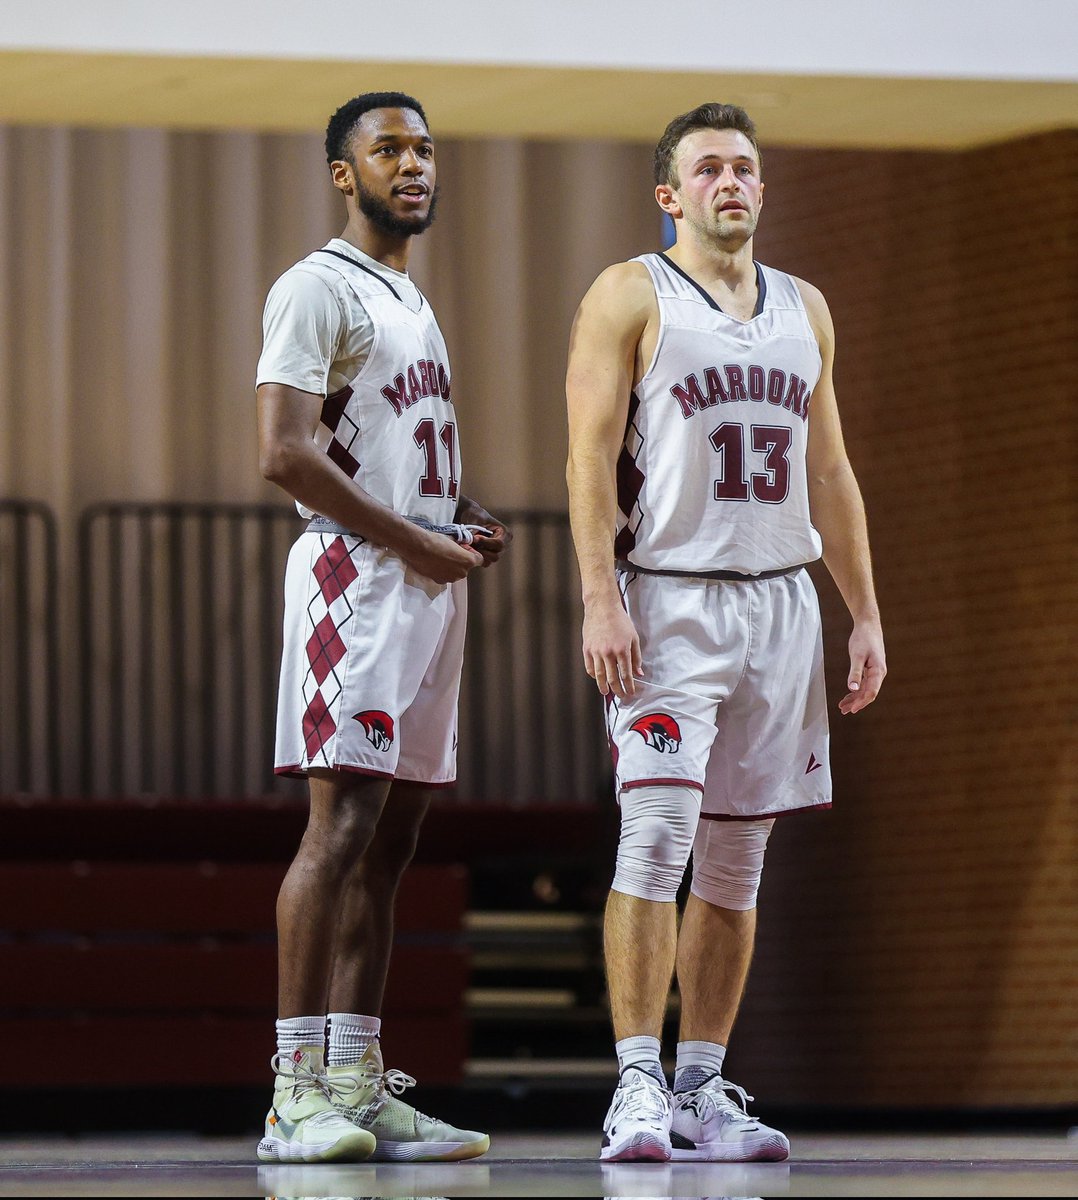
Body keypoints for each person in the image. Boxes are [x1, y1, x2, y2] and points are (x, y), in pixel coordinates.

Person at [565, 102, 886, 1163]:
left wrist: (864, 613)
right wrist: (598, 594)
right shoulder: (628, 293)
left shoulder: (805, 308)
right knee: (654, 840)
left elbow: (829, 470)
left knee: (738, 862)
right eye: (707, 170)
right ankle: (636, 1085)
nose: (731, 183)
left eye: (744, 168)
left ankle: (702, 1085)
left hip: (781, 602)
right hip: (671, 599)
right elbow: (586, 457)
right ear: (669, 196)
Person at [254, 91, 509, 1164]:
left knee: (394, 839)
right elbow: (281, 453)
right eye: (386, 149)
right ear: (341, 173)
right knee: (341, 826)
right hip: (354, 585)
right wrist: (410, 538)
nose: (412, 165)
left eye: (423, 149)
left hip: (419, 580)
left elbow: (391, 452)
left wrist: (455, 524)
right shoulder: (317, 286)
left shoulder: (411, 297)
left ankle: (356, 1084)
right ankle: (292, 1095)